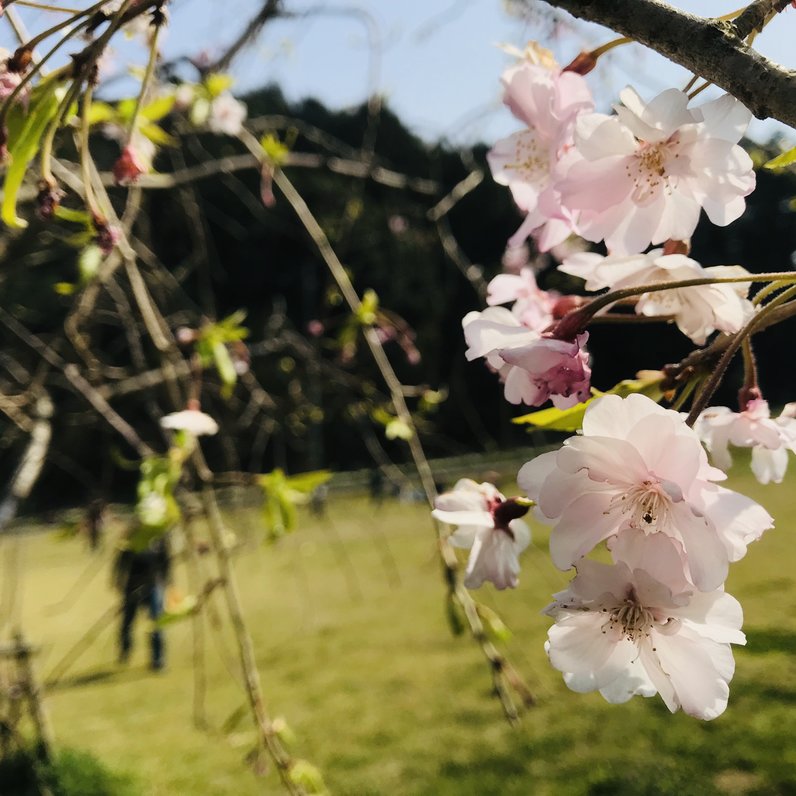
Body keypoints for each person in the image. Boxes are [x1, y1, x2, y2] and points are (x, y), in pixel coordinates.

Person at [113, 533, 171, 671]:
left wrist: (166, 582)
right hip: (132, 587)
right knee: (127, 623)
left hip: (153, 586)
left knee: (156, 623)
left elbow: (166, 562)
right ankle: (125, 649)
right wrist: (118, 580)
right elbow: (121, 561)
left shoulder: (160, 538)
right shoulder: (132, 537)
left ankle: (158, 660)